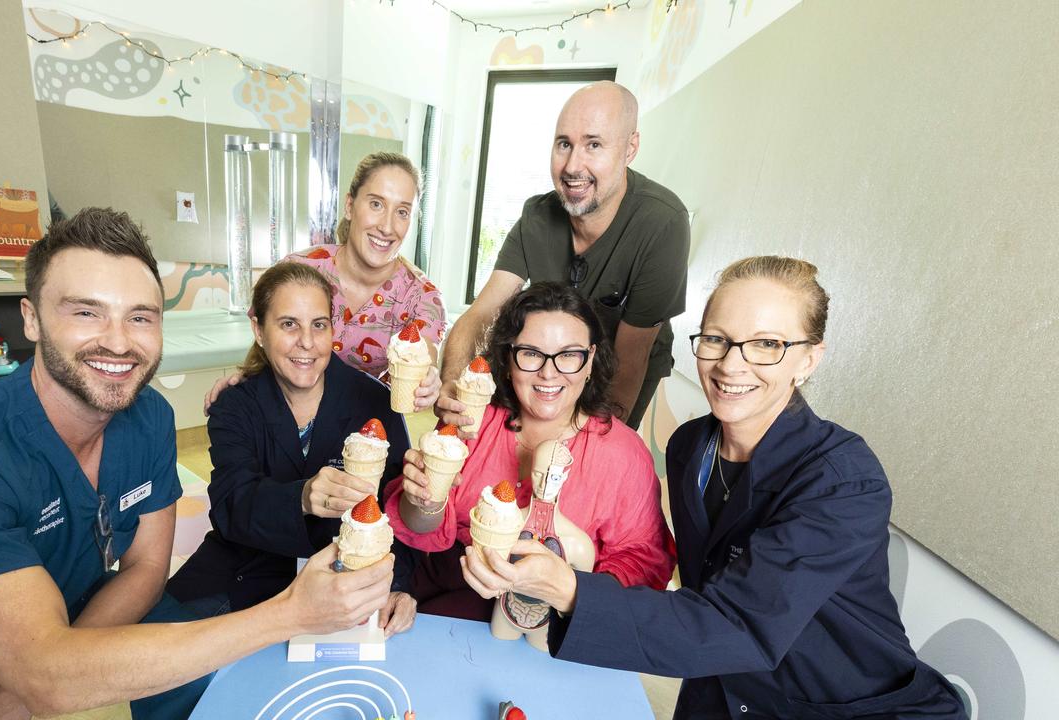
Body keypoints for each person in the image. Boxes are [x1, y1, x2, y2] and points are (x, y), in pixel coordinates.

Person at [0, 208, 394, 720]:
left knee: (235, 694)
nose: (118, 343)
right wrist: (290, 614)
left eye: (141, 318)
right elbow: (49, 677)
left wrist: (49, 677)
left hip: (62, 654)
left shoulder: (146, 416)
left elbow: (146, 570)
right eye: (86, 312)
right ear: (31, 319)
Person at [460, 257, 967, 719]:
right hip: (722, 692)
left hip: (847, 708)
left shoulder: (842, 481)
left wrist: (570, 589)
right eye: (717, 339)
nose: (731, 364)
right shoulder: (690, 447)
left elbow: (740, 625)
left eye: (768, 344)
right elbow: (703, 600)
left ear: (809, 359)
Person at [384, 282, 675, 621]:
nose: (548, 372)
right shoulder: (469, 423)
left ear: (591, 360)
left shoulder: (624, 454)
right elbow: (418, 527)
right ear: (508, 359)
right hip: (448, 601)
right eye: (532, 354)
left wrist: (567, 593)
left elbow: (643, 561)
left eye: (568, 355)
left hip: (557, 623)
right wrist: (424, 503)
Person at [168, 263, 418, 635]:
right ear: (259, 330)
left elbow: (398, 508)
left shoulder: (375, 404)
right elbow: (230, 507)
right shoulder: (235, 405)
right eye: (288, 324)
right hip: (246, 570)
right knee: (166, 650)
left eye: (318, 324)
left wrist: (399, 586)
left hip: (346, 581)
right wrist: (300, 497)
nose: (306, 341)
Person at [438, 81, 689, 432]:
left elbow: (630, 360)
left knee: (592, 457)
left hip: (623, 363)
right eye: (564, 144)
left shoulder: (662, 223)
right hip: (550, 356)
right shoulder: (536, 217)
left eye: (594, 145)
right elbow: (481, 312)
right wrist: (451, 379)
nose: (573, 165)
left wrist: (590, 447)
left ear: (630, 148)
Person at [205, 152, 445, 414]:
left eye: (402, 211)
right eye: (376, 204)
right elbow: (266, 341)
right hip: (285, 417)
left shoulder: (422, 298)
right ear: (350, 206)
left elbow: (425, 360)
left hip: (367, 430)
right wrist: (242, 382)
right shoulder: (299, 270)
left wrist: (429, 381)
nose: (387, 227)